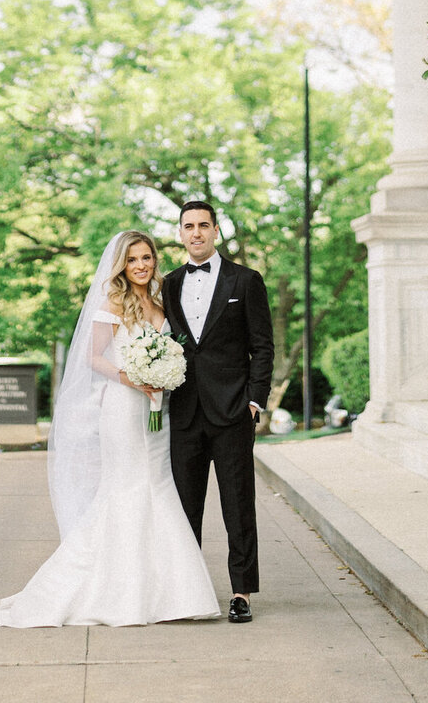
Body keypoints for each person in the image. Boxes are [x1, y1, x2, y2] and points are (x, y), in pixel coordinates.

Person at [0, 230, 219, 627]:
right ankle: (118, 593)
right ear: (122, 264)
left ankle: (168, 595)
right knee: (127, 489)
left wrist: (163, 376)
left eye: (146, 257)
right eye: (133, 259)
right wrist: (132, 376)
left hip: (158, 411)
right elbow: (94, 358)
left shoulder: (161, 301)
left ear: (154, 260)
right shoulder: (112, 303)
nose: (141, 265)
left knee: (159, 486)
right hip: (122, 406)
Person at [161, 201, 274, 624]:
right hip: (184, 412)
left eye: (203, 226)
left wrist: (254, 398)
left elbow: (262, 345)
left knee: (237, 505)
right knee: (185, 507)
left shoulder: (245, 280)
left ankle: (241, 592)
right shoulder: (169, 283)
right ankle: (187, 591)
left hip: (232, 412)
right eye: (188, 227)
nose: (196, 233)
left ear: (215, 230)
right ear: (180, 233)